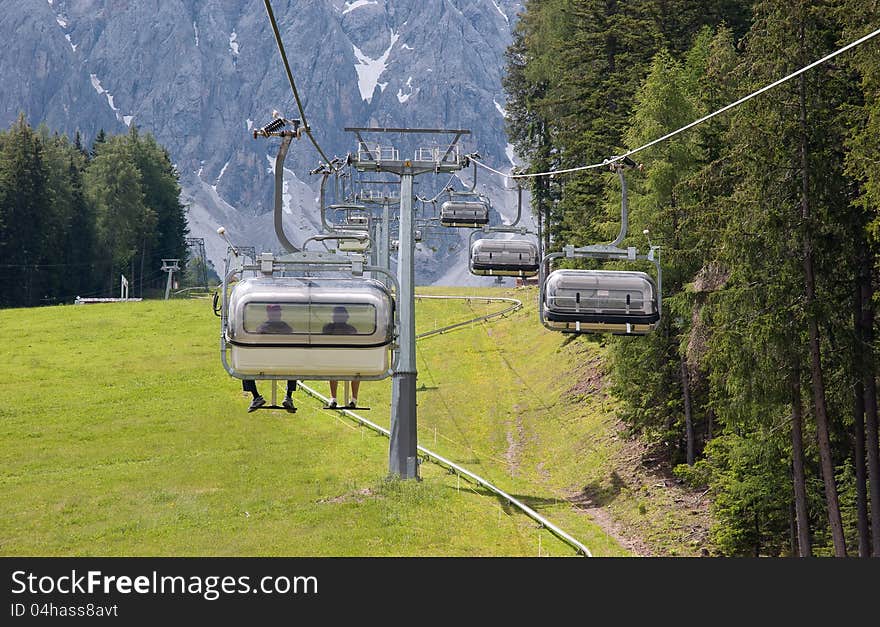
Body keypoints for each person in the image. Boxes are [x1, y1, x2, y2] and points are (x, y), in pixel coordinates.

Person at [243, 303, 297, 412]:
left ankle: (288, 397)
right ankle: (258, 397)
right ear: (269, 314)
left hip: (274, 361)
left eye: (278, 312)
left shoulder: (269, 327)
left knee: (294, 363)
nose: (277, 314)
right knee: (244, 366)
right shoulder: (279, 327)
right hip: (271, 361)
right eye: (275, 312)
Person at [322, 305, 360, 408]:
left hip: (349, 357)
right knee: (333, 370)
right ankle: (333, 398)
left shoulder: (351, 329)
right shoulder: (328, 327)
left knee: (356, 372)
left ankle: (354, 400)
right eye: (337, 315)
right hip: (334, 358)